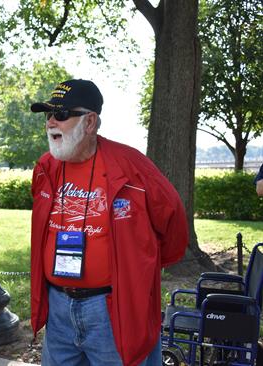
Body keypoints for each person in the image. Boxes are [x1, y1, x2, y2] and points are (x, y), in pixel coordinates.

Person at [29, 79, 189, 366]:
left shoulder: (132, 166)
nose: (51, 122)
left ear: (90, 122)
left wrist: (137, 266)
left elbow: (173, 223)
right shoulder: (45, 167)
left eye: (61, 115)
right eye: (47, 114)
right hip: (59, 308)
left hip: (110, 310)